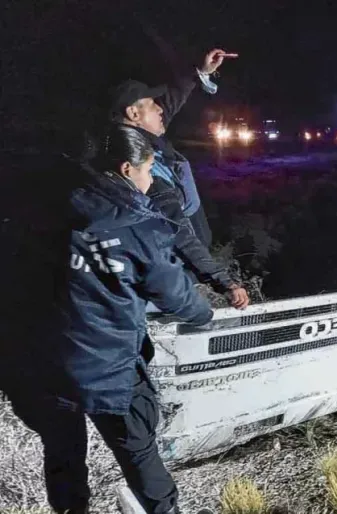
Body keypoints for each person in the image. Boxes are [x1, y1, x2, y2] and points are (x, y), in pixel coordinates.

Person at [1, 125, 215, 514]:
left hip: (40, 361)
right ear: (126, 168)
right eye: (148, 169)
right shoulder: (138, 226)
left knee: (63, 452)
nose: (151, 179)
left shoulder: (43, 208)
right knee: (138, 453)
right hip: (109, 367)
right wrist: (206, 314)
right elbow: (178, 298)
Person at [108, 48, 249, 310]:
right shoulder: (144, 172)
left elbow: (171, 101)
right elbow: (182, 237)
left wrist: (201, 73)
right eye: (152, 104)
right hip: (175, 268)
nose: (161, 109)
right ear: (133, 114)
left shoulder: (137, 137)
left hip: (183, 262)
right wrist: (225, 282)